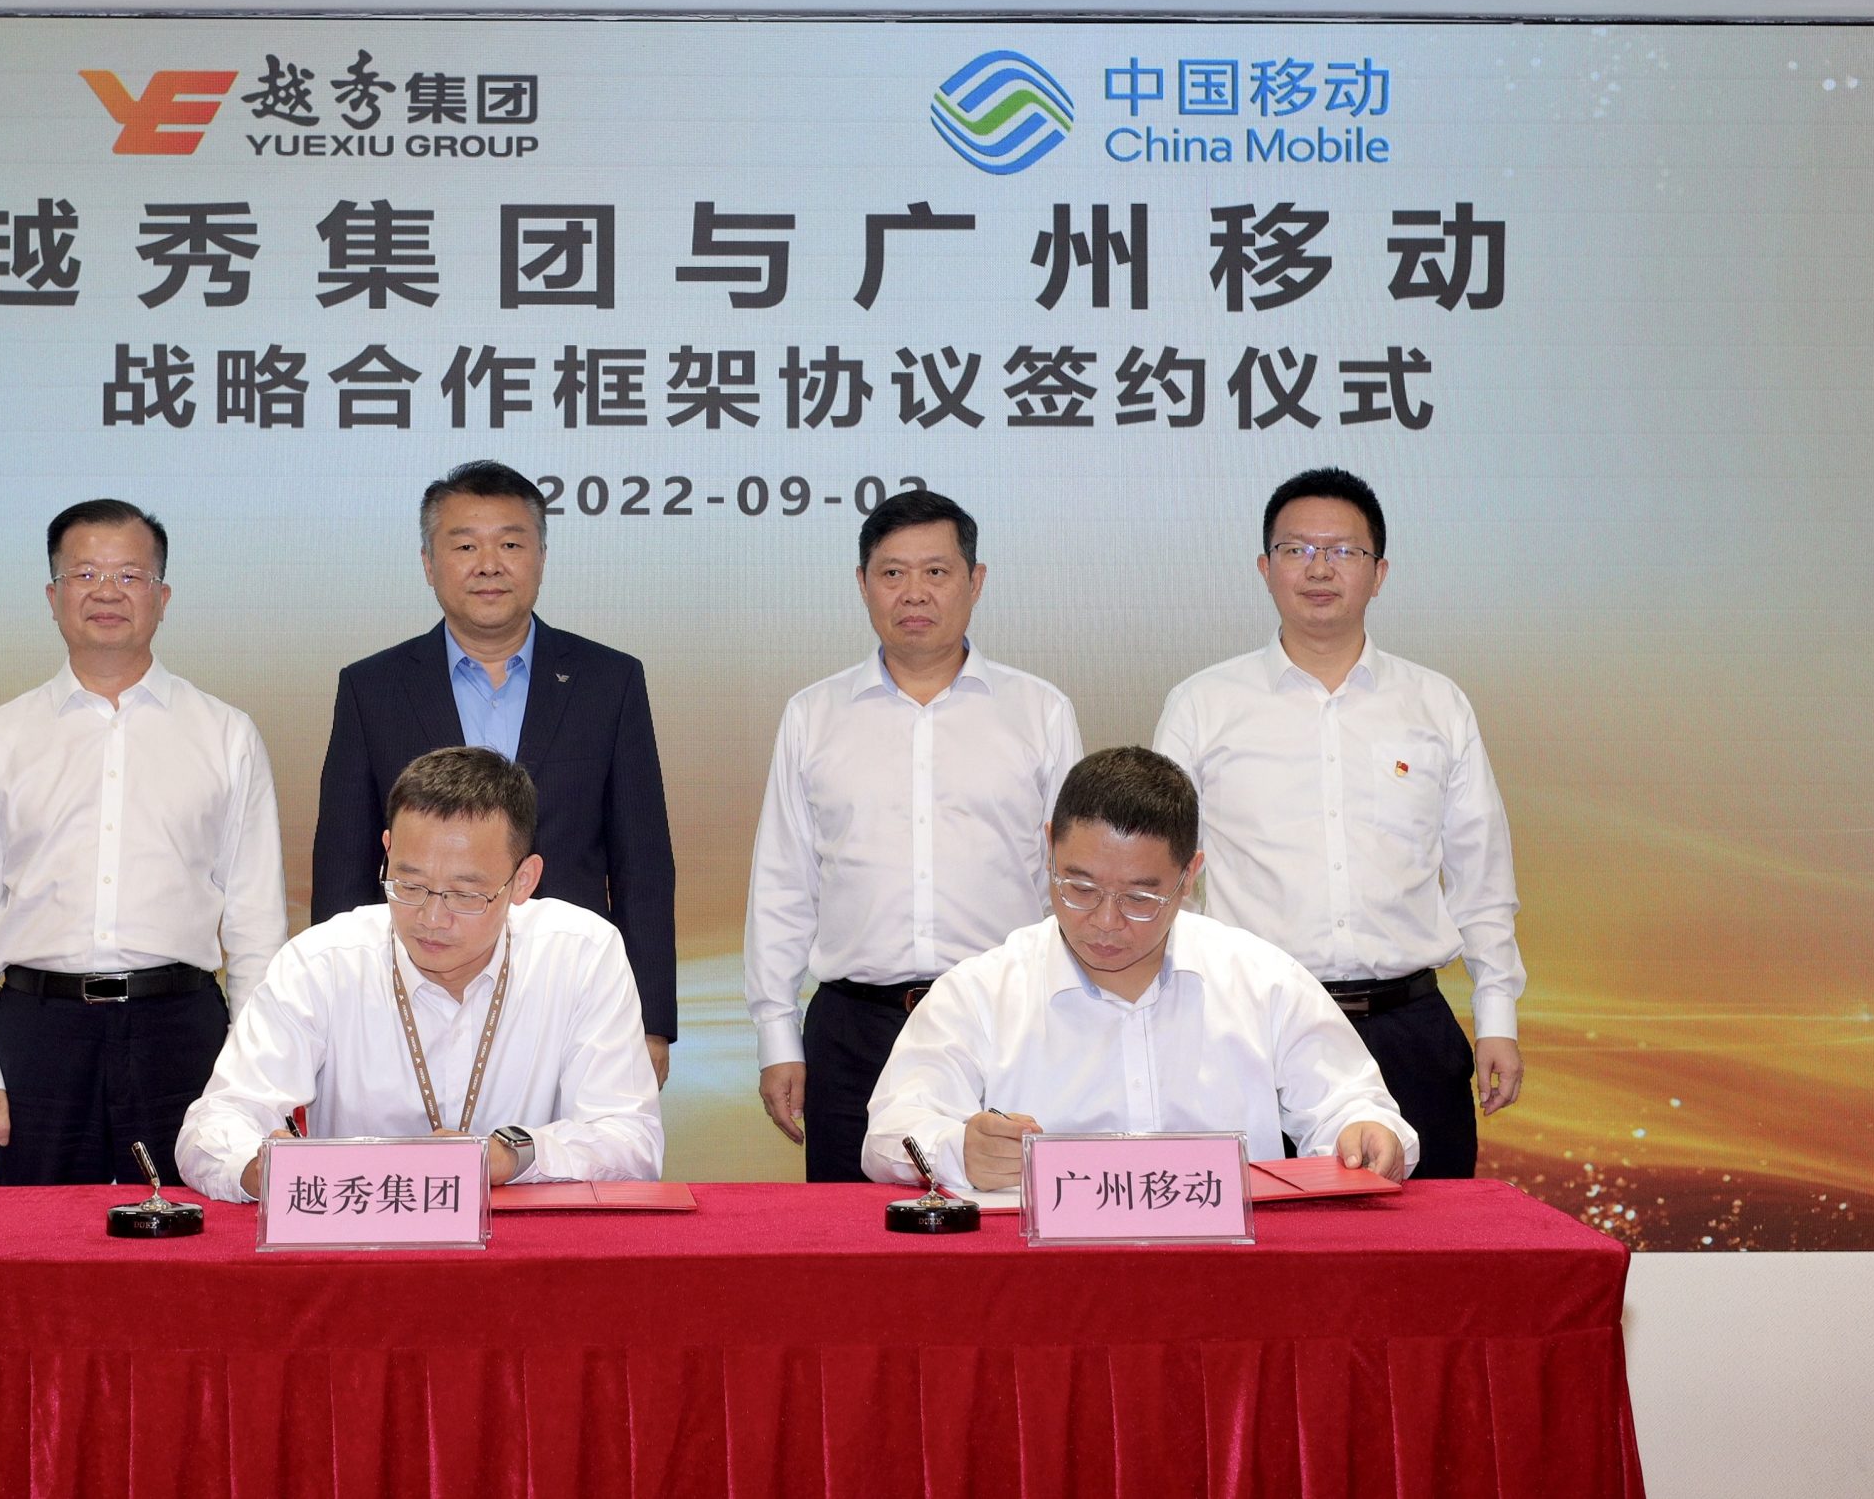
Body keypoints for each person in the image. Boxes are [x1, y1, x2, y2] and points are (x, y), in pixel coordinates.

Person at [1152, 467, 1524, 1179]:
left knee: (1426, 1236)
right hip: (1253, 1031)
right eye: (1296, 550)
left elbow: (1481, 878)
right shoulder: (1203, 705)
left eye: (1344, 551)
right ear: (1265, 568)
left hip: (1408, 1031)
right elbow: (1163, 876)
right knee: (1257, 1238)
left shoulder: (1436, 704)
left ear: (1379, 573)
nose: (1319, 568)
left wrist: (1497, 1019)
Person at [0, 499, 287, 1186]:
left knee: (197, 1231)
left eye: (129, 576)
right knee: (39, 1239)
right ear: (53, 597)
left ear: (162, 597)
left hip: (181, 1030)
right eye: (85, 574)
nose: (106, 592)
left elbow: (255, 920)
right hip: (39, 1032)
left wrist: (256, 1075)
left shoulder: (225, 734)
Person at [864, 746, 1415, 1192]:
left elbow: (1352, 1104)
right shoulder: (981, 991)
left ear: (1190, 875)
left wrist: (1364, 1132)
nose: (1105, 922)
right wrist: (958, 1151)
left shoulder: (1262, 979)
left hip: (1230, 1275)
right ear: (1049, 848)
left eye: (1140, 898)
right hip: (1045, 1278)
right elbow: (890, 1132)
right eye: (1080, 887)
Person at [745, 488, 1083, 1182]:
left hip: (1000, 1021)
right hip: (853, 1031)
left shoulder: (1040, 712)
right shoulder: (813, 715)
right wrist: (778, 1037)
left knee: (1002, 1218)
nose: (914, 592)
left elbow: (1071, 882)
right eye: (892, 573)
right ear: (863, 583)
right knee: (848, 1232)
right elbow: (784, 885)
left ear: (975, 581)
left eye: (936, 571)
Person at [312, 461, 679, 1085]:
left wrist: (649, 1021)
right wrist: (335, 1013)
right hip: (412, 995)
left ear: (541, 558)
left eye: (510, 544)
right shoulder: (373, 688)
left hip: (570, 996)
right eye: (464, 546)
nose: (488, 565)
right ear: (429, 564)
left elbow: (641, 864)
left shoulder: (609, 681)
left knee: (569, 1147)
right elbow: (345, 865)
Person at [179, 746, 662, 1201]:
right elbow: (213, 1123)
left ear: (523, 881)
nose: (431, 918)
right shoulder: (322, 962)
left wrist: (507, 1155)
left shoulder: (581, 955)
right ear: (387, 850)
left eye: (465, 895)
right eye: (409, 885)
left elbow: (630, 1140)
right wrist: (257, 1167)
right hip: (360, 1241)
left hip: (525, 1249)